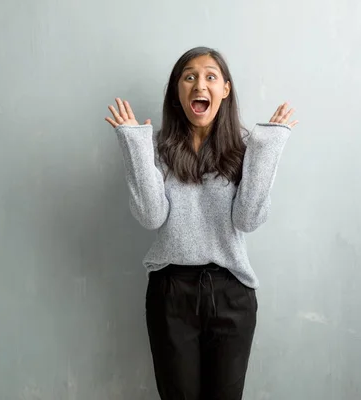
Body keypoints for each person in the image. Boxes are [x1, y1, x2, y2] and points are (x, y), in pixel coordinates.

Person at [104, 46, 298, 400]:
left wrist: (267, 148)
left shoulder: (245, 148)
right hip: (171, 293)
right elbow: (151, 216)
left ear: (225, 89)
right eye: (189, 76)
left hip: (232, 293)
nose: (200, 84)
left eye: (210, 76)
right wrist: (135, 145)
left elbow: (248, 219)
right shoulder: (161, 150)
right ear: (178, 91)